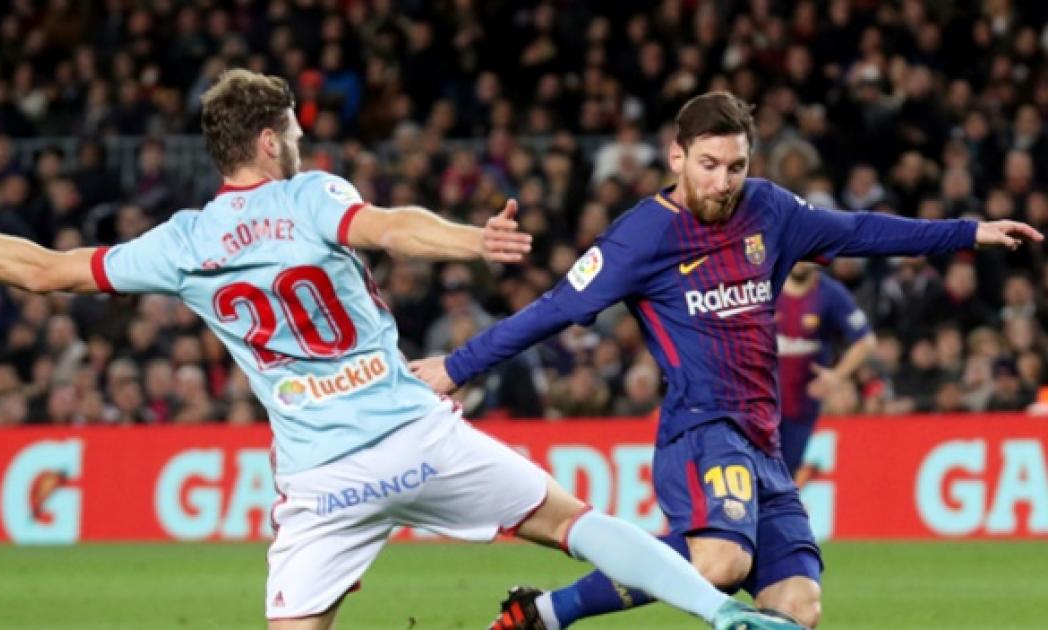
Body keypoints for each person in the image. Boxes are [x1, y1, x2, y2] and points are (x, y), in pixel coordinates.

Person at [0, 71, 800, 630]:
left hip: (320, 480)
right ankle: (719, 611)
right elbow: (389, 225)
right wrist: (472, 240)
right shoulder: (311, 196)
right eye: (295, 130)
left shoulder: (183, 242)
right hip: (416, 435)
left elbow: (42, 271)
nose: (302, 140)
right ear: (271, 141)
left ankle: (716, 608)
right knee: (576, 523)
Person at [412, 91, 1041, 630]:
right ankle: (548, 614)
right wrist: (457, 366)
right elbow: (555, 308)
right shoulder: (641, 236)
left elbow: (858, 231)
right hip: (702, 428)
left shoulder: (769, 210)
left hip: (765, 443)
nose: (723, 182)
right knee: (719, 562)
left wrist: (969, 231)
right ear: (677, 157)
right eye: (709, 165)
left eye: (736, 166)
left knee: (798, 608)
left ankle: (541, 613)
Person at [776, 262, 876, 487]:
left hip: (800, 409)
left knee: (782, 481)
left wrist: (837, 375)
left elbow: (866, 341)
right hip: (756, 406)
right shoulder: (764, 286)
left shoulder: (830, 294)